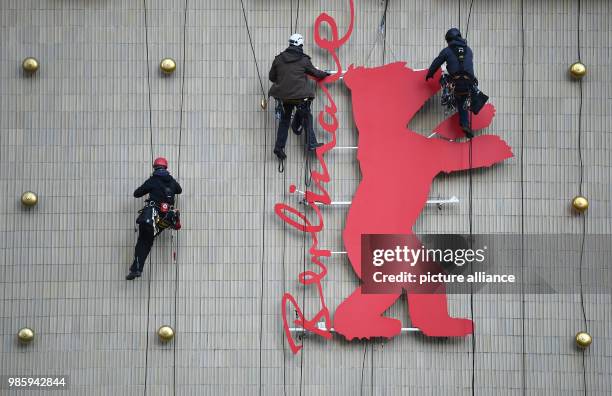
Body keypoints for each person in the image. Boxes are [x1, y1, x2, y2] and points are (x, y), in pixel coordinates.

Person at [268, 33, 330, 160]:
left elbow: (272, 77)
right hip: (300, 96)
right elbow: (316, 73)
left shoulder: (278, 59)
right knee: (307, 117)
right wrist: (326, 74)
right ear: (300, 45)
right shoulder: (303, 60)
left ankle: (279, 147)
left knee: (284, 121)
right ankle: (311, 143)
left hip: (284, 97)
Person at [126, 157, 182, 280]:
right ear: (166, 168)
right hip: (164, 221)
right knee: (147, 241)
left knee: (143, 243)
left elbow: (137, 193)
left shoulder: (153, 180)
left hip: (150, 218)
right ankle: (136, 269)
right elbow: (179, 190)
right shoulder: (172, 181)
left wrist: (152, 185)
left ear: (155, 168)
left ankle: (136, 269)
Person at [426, 28, 477, 138]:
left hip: (456, 83)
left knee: (453, 88)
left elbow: (437, 62)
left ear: (450, 39)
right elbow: (469, 66)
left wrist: (430, 74)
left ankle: (448, 98)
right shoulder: (469, 50)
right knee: (463, 99)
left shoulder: (447, 51)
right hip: (469, 84)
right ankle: (465, 123)